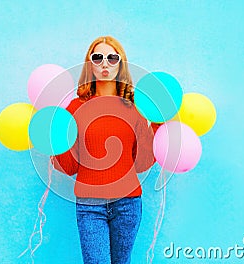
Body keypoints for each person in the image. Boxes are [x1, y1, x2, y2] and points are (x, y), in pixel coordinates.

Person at [52, 36, 159, 264]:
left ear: (120, 64)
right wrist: (56, 140)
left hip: (128, 204)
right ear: (90, 64)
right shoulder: (75, 108)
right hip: (90, 206)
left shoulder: (134, 108)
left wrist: (158, 125)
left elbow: (141, 164)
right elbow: (70, 167)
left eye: (112, 58)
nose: (105, 64)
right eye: (98, 57)